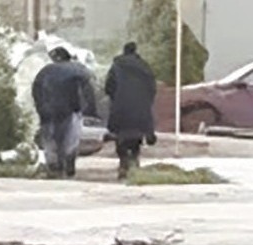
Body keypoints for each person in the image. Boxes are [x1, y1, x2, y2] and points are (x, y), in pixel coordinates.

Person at [30, 46, 98, 179]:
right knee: (69, 139)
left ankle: (54, 166)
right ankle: (68, 163)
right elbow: (88, 90)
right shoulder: (79, 70)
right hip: (70, 110)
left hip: (48, 111)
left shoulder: (45, 71)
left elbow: (36, 90)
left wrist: (40, 108)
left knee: (51, 139)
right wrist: (91, 109)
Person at [104, 41, 158, 180]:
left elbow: (109, 86)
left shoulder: (117, 66)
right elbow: (152, 88)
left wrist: (115, 97)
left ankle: (123, 163)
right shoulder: (145, 67)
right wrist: (146, 101)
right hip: (140, 108)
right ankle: (134, 160)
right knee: (136, 136)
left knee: (121, 136)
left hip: (121, 107)